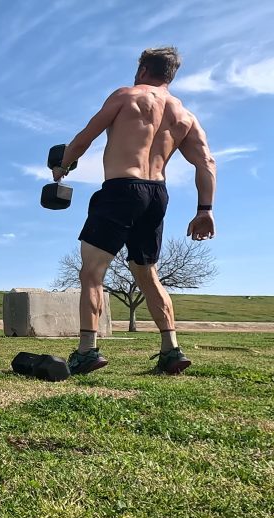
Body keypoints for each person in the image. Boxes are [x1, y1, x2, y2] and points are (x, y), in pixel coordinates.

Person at [52, 46, 216, 375]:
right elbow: (206, 163)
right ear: (170, 75)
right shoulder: (185, 116)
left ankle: (87, 350)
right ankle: (171, 350)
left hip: (121, 189)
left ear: (143, 69)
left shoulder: (127, 96)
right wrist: (205, 209)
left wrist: (63, 165)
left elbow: (86, 137)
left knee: (92, 272)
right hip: (157, 194)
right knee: (146, 273)